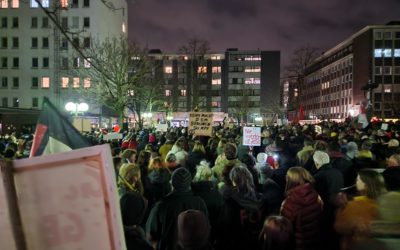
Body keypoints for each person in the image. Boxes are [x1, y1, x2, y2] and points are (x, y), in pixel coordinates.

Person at [146, 168, 208, 250]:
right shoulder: (200, 203)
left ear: (172, 183)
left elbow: (150, 234)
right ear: (189, 183)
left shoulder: (162, 205)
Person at [335, 169, 387, 250]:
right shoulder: (386, 201)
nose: (356, 181)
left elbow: (340, 227)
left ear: (366, 184)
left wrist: (341, 208)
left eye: (358, 179)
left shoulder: (356, 205)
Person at [219, 165, 267, 250]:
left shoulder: (230, 202)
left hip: (238, 243)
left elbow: (226, 227)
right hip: (257, 242)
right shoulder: (262, 198)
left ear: (234, 182)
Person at [281, 167, 323, 250]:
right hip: (315, 239)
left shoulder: (290, 203)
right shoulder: (315, 195)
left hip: (298, 243)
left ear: (290, 180)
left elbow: (285, 228)